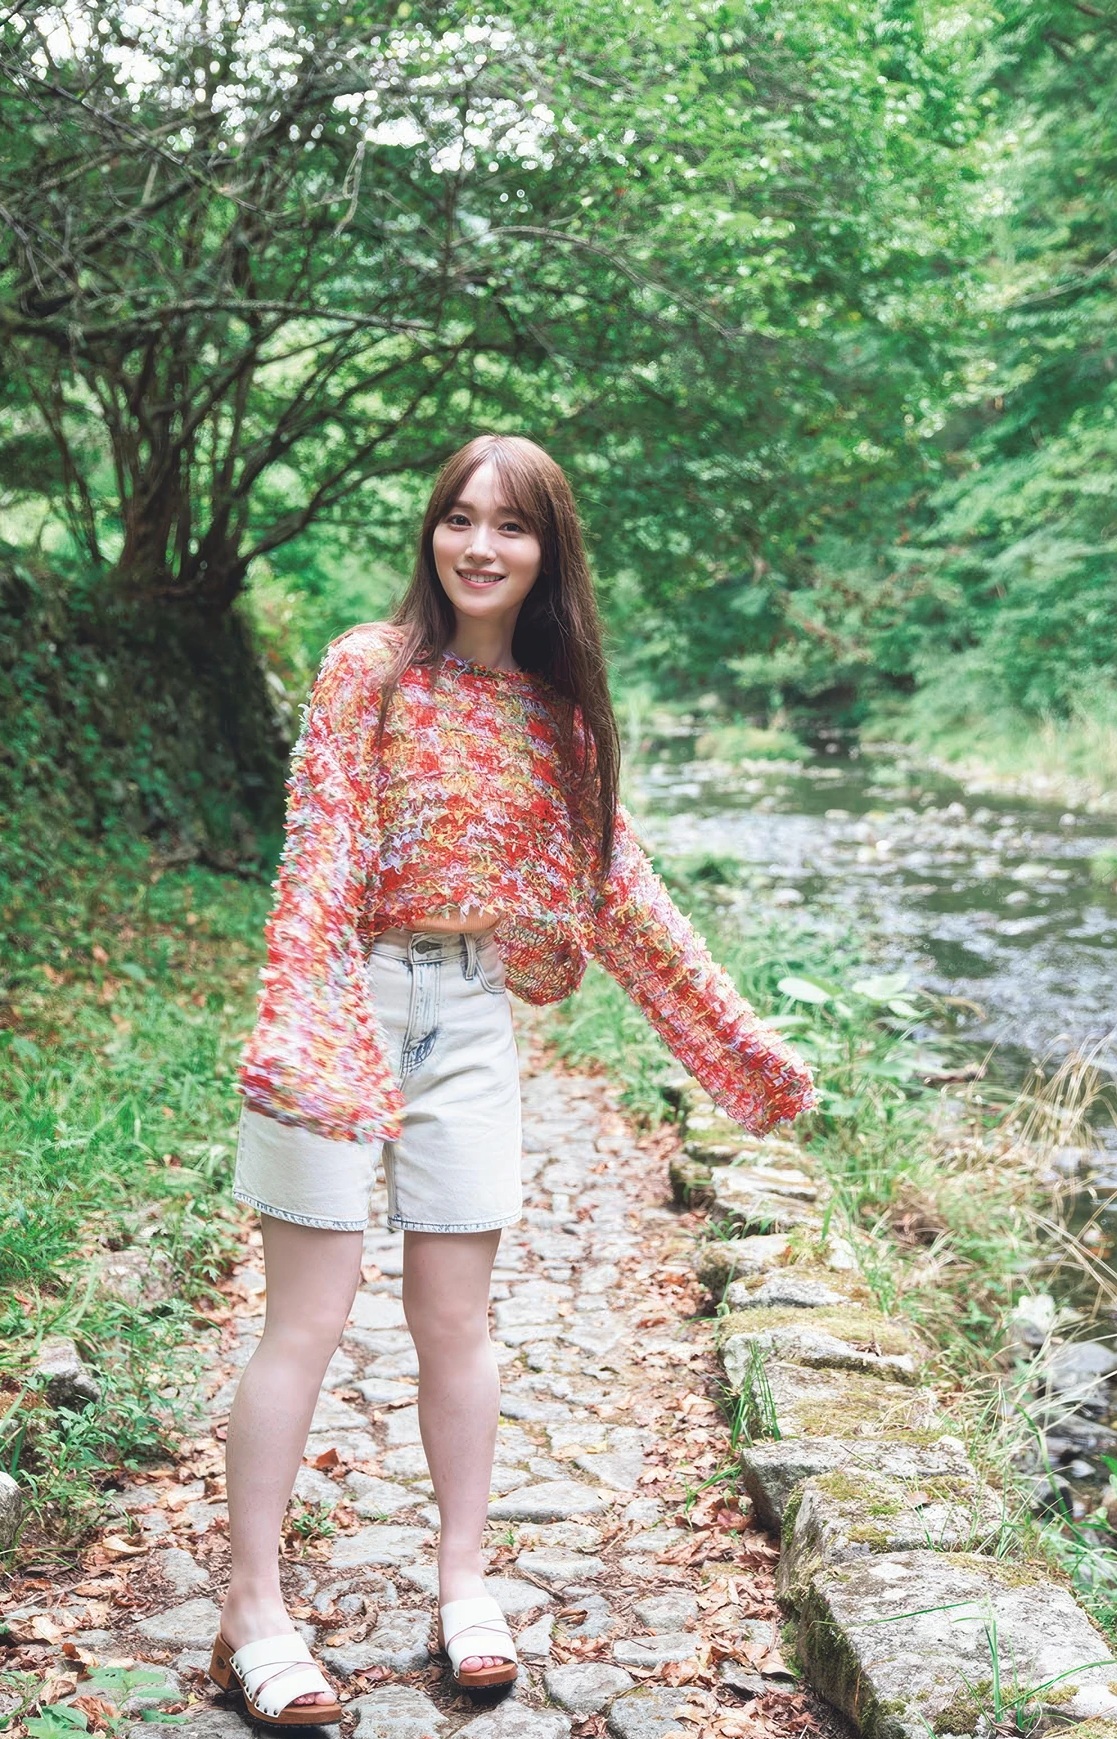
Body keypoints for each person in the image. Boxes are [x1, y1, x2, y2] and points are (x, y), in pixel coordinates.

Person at [208, 434, 817, 1725]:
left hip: (472, 1015)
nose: (478, 546)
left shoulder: (560, 716)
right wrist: (311, 1030)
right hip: (344, 992)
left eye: (510, 525)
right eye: (459, 518)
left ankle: (462, 1583)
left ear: (549, 551)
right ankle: (251, 1610)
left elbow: (623, 897)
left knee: (457, 1325)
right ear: (430, 531)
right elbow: (321, 854)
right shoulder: (367, 669)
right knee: (306, 1319)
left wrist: (737, 1049)